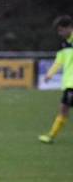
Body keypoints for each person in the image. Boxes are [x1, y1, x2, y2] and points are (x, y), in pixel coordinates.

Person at [39, 14, 73, 144]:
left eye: (61, 30)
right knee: (63, 108)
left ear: (69, 27)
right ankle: (51, 136)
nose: (60, 33)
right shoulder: (64, 44)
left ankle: (51, 136)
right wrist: (50, 74)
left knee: (63, 108)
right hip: (69, 83)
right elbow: (59, 61)